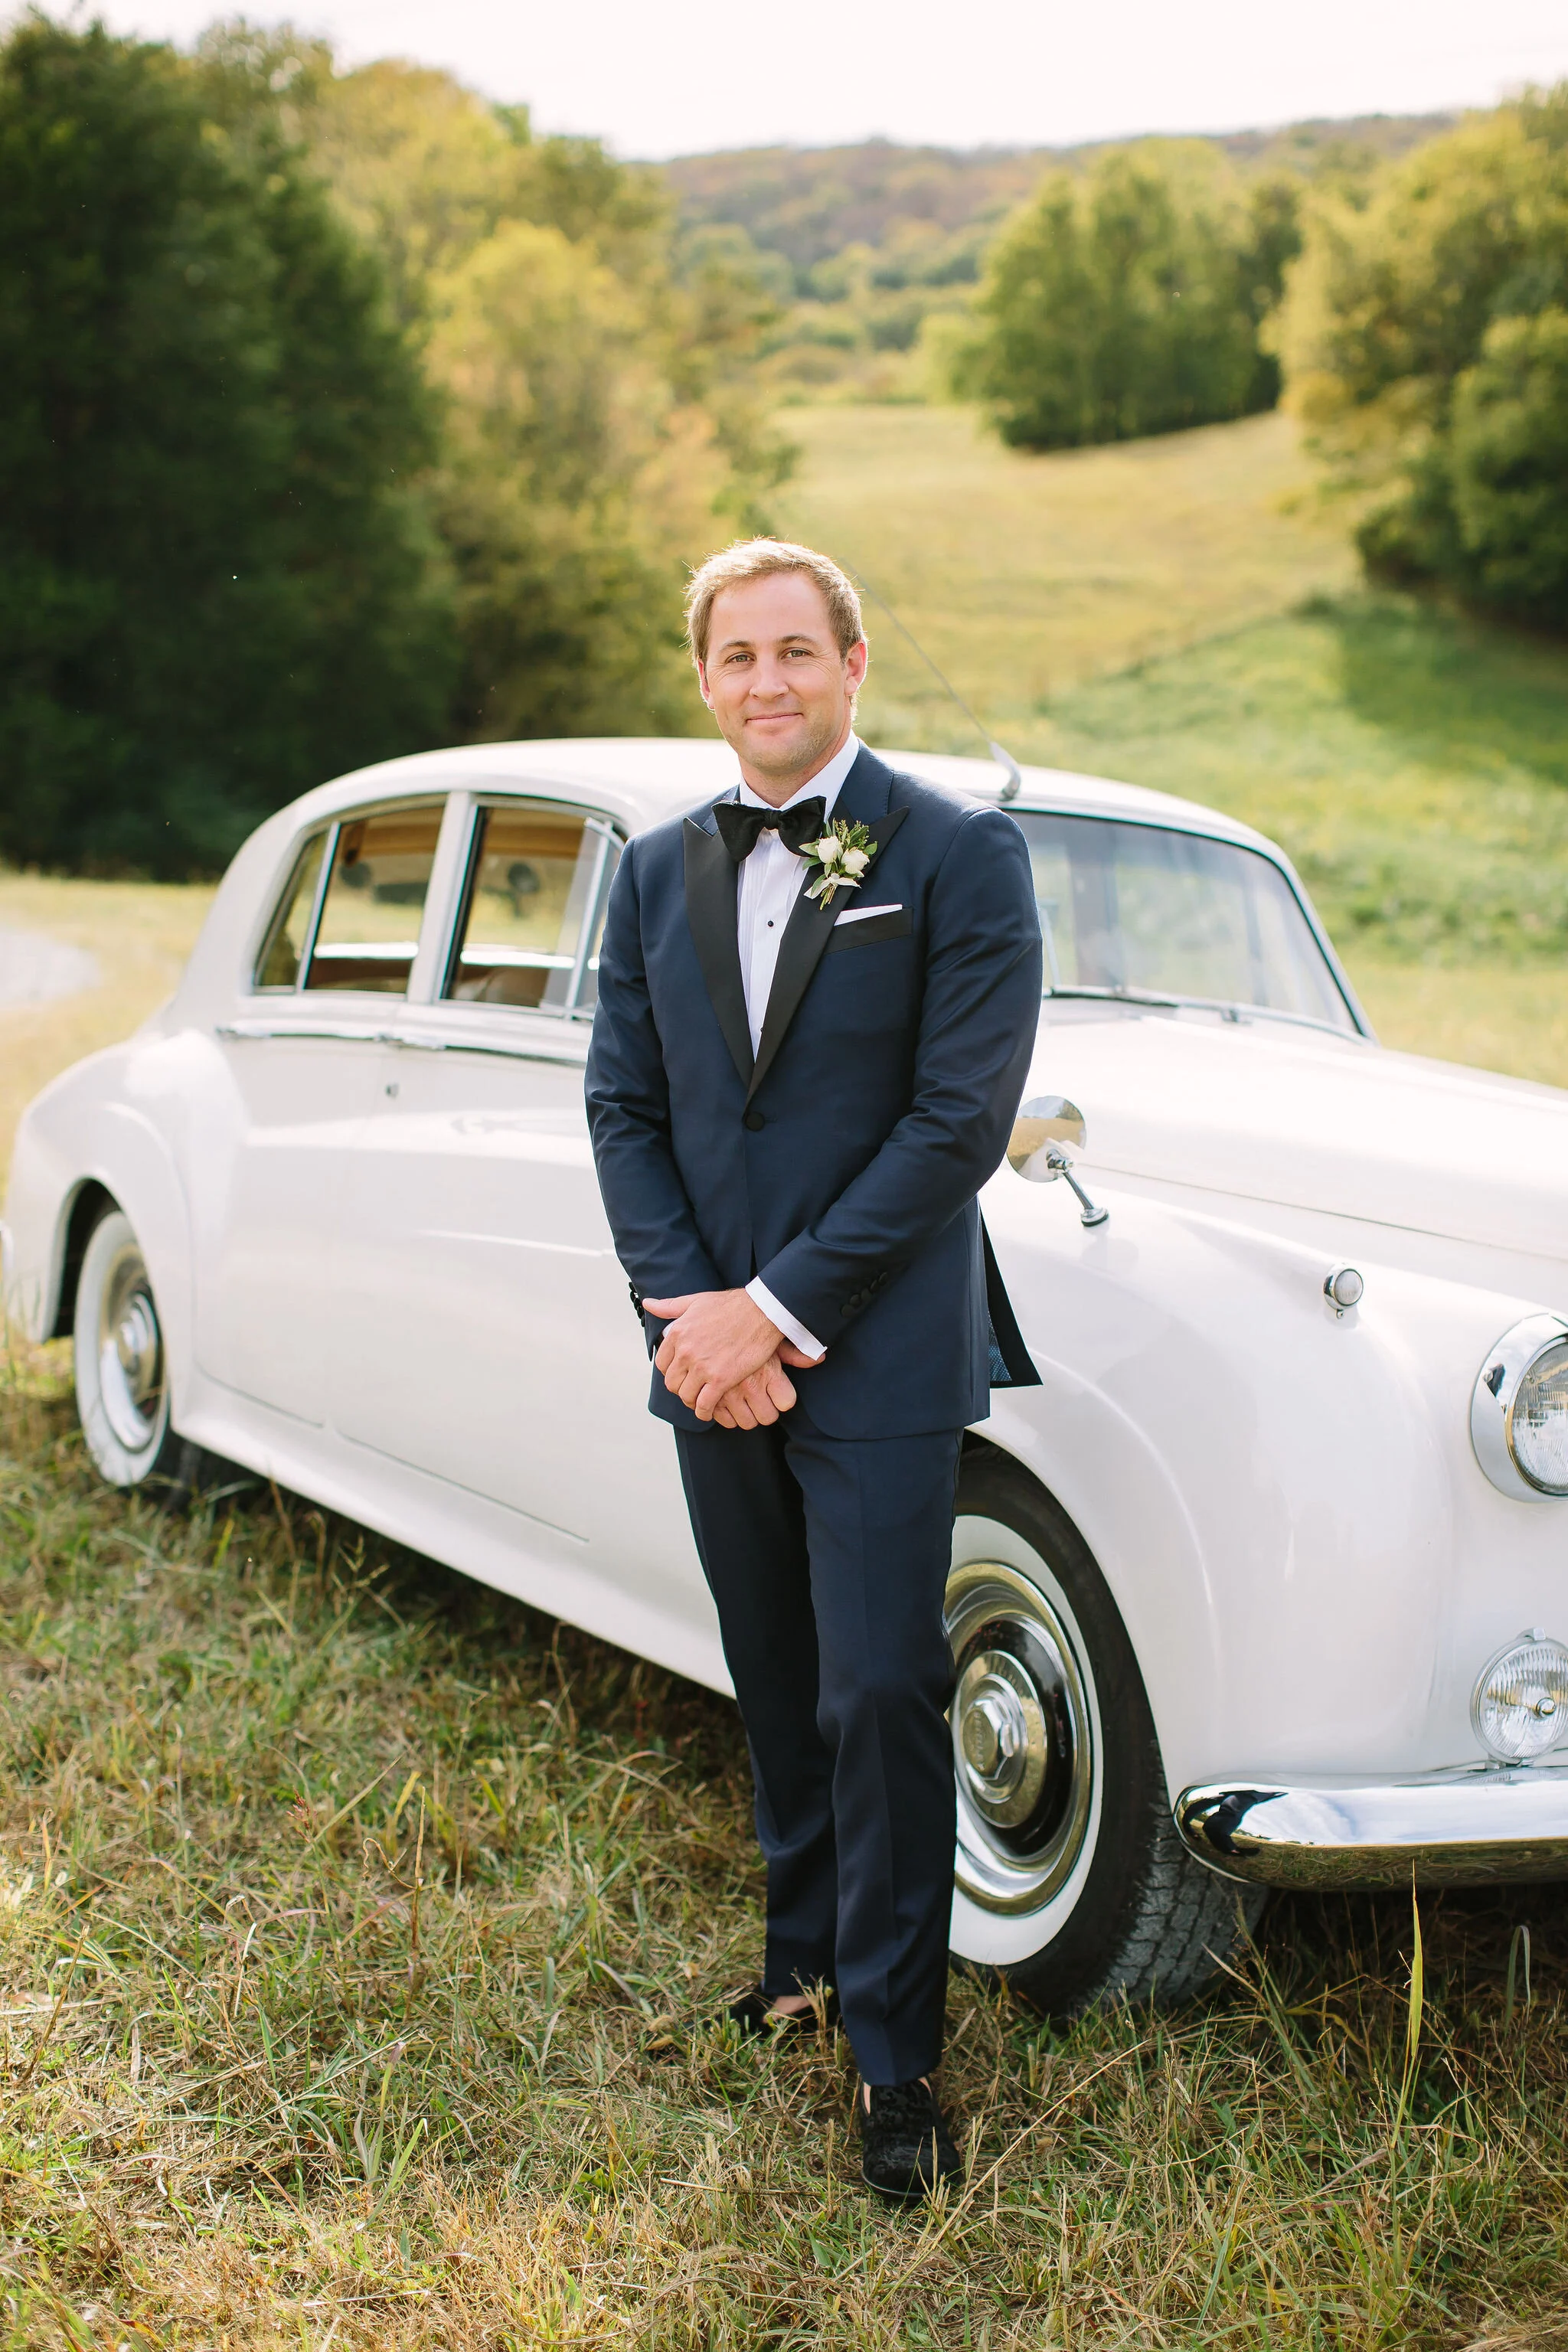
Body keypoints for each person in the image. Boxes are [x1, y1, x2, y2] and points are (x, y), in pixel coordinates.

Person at [584, 539, 1043, 2202]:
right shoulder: (650, 871)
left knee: (879, 1694)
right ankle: (801, 1963)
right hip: (702, 1348)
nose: (766, 682)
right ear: (703, 680)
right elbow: (625, 1107)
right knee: (773, 1676)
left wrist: (774, 1311)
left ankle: (898, 2061)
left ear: (855, 664)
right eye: (735, 657)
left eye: (796, 650)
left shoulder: (953, 854)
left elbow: (955, 1124)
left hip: (871, 1349)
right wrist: (686, 1310)